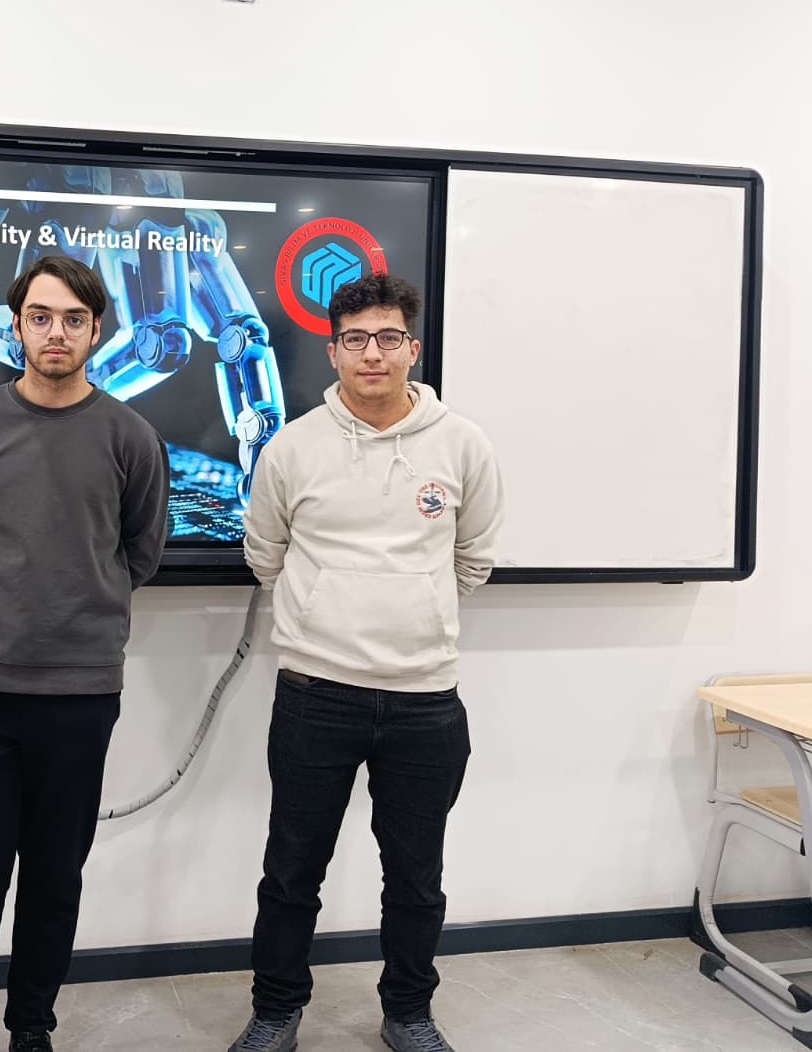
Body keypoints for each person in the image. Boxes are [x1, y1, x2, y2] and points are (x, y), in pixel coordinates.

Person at [227, 274, 504, 1052]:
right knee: (291, 873)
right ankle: (276, 1013)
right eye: (355, 339)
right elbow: (265, 553)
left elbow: (475, 557)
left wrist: (414, 611)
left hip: (425, 701)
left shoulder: (463, 444)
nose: (371, 353)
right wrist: (328, 615)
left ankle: (408, 1014)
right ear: (334, 352)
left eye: (387, 338)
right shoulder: (292, 447)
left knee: (416, 879)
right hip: (316, 695)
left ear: (412, 349)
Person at [0, 254, 171, 1052]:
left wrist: (76, 606)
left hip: (79, 689)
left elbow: (141, 551)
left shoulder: (131, 437)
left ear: (97, 330)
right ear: (17, 326)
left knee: (54, 877)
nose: (55, 332)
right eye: (40, 317)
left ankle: (31, 1027)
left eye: (72, 319)